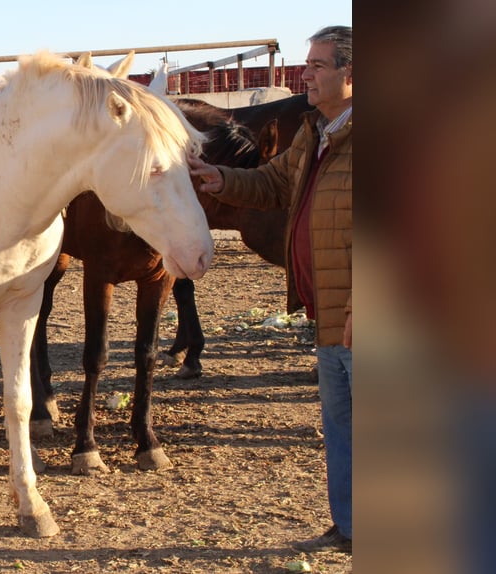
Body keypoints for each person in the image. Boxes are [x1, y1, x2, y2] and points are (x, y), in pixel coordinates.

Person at [188, 25, 352, 553]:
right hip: (326, 312)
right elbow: (275, 183)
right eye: (307, 63)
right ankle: (351, 527)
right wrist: (216, 177)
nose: (305, 73)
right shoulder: (317, 132)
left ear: (354, 74)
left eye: (319, 65)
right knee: (344, 432)